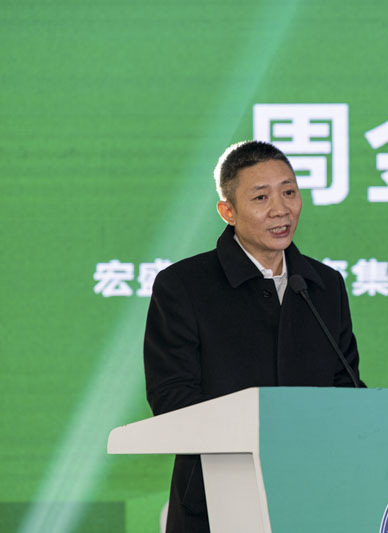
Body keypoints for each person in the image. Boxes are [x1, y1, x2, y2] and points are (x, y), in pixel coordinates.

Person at [143, 140, 365, 532]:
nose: (281, 209)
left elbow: (345, 387)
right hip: (215, 501)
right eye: (261, 197)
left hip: (312, 496)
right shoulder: (184, 286)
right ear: (227, 211)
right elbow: (171, 398)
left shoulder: (323, 286)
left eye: (289, 192)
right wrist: (261, 431)